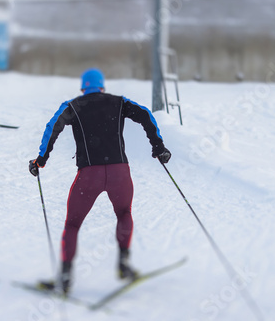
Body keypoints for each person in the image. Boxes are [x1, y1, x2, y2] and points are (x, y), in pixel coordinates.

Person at [29, 68, 171, 295]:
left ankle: (65, 278)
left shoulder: (73, 105)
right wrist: (158, 147)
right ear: (102, 86)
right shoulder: (119, 102)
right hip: (119, 173)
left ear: (83, 87)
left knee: (73, 224)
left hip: (89, 175)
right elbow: (145, 114)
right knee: (124, 213)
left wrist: (41, 159)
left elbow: (52, 127)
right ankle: (124, 265)